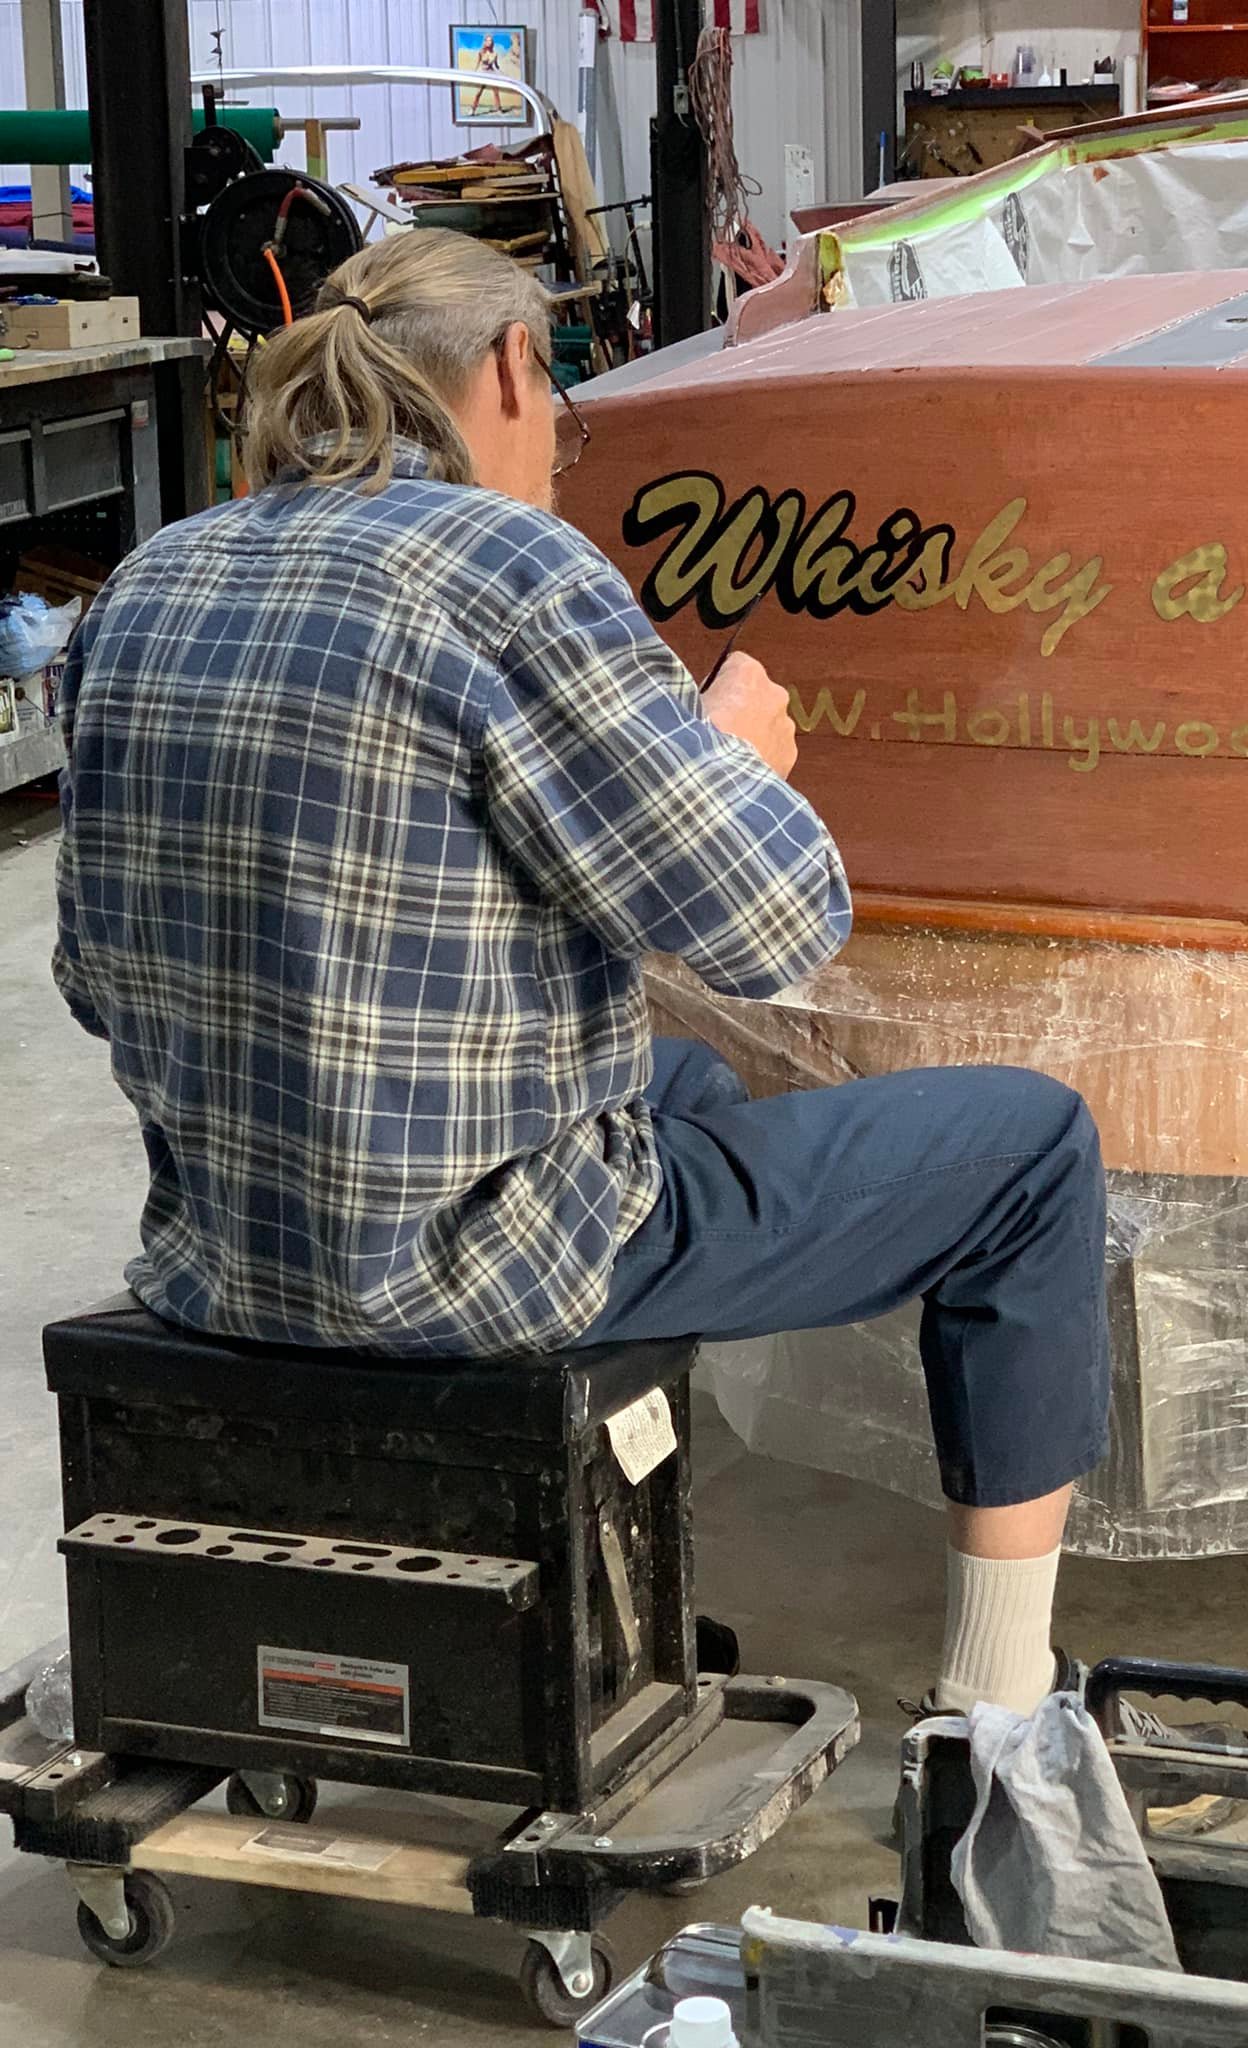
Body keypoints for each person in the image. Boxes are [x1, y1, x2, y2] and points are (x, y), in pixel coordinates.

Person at [53, 230, 1109, 1719]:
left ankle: (628, 1525)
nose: (560, 450)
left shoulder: (156, 573)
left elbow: (92, 979)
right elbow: (772, 926)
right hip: (475, 1268)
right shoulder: (515, 566)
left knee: (682, 1075)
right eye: (561, 409)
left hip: (222, 1250)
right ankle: (1003, 1702)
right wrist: (726, 763)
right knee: (1031, 1149)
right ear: (507, 367)